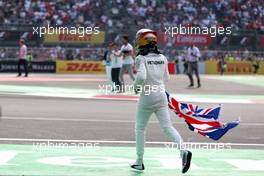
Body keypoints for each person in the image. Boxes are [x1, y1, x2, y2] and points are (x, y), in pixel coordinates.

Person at [130, 29, 192, 174]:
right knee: (168, 127)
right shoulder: (162, 57)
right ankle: (183, 151)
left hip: (147, 96)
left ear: (141, 41)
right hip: (161, 95)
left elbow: (142, 77)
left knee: (140, 129)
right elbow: (167, 78)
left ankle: (139, 161)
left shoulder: (141, 58)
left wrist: (135, 88)